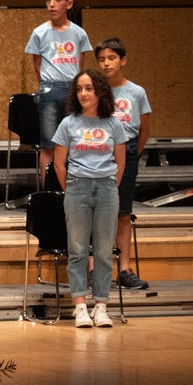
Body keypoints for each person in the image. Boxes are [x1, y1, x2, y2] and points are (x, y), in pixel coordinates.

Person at [52, 69, 127, 328]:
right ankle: (80, 306)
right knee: (78, 250)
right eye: (80, 89)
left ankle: (101, 306)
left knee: (105, 251)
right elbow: (59, 165)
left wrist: (107, 186)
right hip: (77, 188)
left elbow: (121, 163)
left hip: (107, 188)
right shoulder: (68, 123)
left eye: (89, 88)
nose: (83, 93)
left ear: (99, 92)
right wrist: (73, 187)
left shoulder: (114, 124)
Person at [96, 37, 151, 291]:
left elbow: (144, 129)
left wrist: (132, 155)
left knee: (123, 212)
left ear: (123, 60)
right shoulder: (96, 90)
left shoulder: (136, 92)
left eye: (112, 58)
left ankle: (125, 269)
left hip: (127, 151)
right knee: (97, 211)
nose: (106, 64)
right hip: (99, 151)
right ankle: (95, 268)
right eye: (102, 59)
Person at [24, 0, 92, 184]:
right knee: (48, 144)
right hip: (50, 89)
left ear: (69, 4)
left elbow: (80, 64)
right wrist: (46, 86)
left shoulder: (78, 33)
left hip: (72, 89)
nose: (51, 4)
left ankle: (72, 186)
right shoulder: (40, 32)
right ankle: (48, 189)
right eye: (48, 0)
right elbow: (37, 64)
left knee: (73, 140)